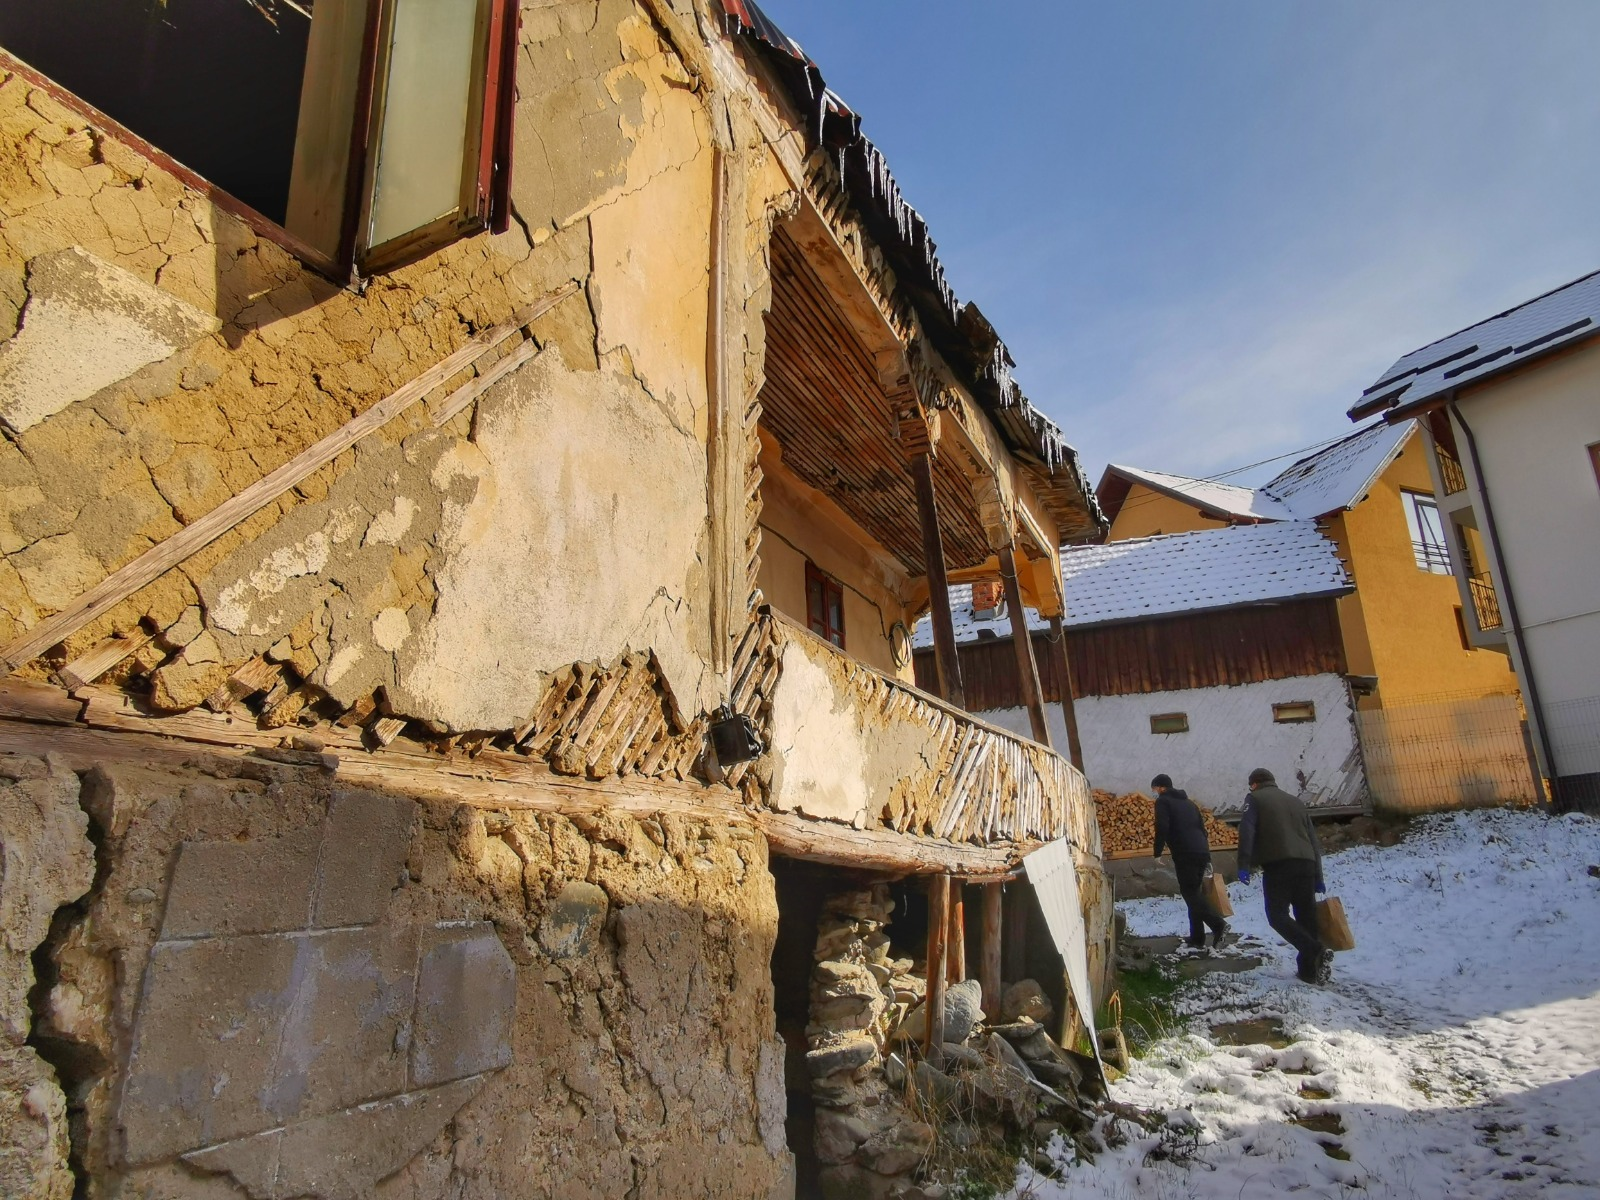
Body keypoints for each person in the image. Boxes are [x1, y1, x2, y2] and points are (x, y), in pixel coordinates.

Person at [1236, 767, 1331, 984]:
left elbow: (1247, 830)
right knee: (1306, 917)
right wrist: (1319, 876)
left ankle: (1315, 950)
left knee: (1277, 915)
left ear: (1254, 784)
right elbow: (1313, 840)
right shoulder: (1295, 802)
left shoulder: (1254, 799)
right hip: (1306, 864)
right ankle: (1309, 972)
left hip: (1279, 864)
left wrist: (1244, 864)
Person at [1151, 774, 1229, 949]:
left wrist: (1157, 852)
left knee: (1190, 893)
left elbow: (1162, 826)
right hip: (1201, 850)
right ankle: (1197, 937)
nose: (1154, 792)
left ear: (1161, 787)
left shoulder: (1163, 801)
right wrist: (1206, 854)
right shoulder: (1189, 803)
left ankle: (1218, 925)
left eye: (1155, 788)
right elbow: (1202, 830)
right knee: (1194, 892)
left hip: (1185, 852)